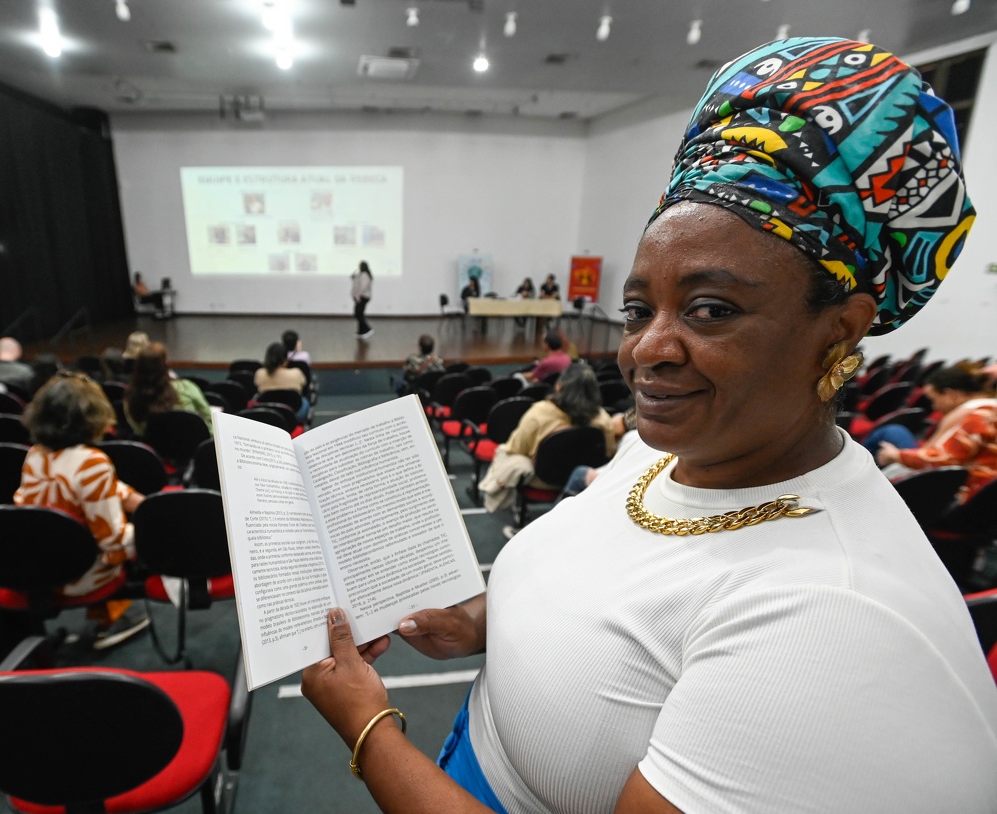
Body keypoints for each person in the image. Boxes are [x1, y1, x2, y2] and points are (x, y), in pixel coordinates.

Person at [300, 38, 997, 813]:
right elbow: (605, 586)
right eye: (639, 309)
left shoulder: (832, 621)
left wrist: (369, 730)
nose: (645, 350)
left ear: (839, 330)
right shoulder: (671, 448)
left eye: (710, 309)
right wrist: (481, 623)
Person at [15, 371, 150, 650]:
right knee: (140, 535)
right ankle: (111, 620)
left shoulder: (35, 454)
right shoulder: (92, 462)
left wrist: (140, 502)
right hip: (78, 574)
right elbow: (113, 543)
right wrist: (154, 526)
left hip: (36, 565)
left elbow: (88, 488)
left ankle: (108, 616)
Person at [478, 364, 616, 518]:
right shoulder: (603, 419)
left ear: (559, 386)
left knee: (504, 451)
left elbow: (515, 448)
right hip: (584, 482)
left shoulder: (539, 413)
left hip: (542, 480)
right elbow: (609, 452)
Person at [874, 366, 997, 502]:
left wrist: (896, 455)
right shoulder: (989, 409)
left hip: (971, 494)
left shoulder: (980, 415)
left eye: (934, 400)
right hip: (985, 492)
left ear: (951, 395)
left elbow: (945, 459)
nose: (934, 407)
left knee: (891, 432)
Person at [124, 341, 213, 435]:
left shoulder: (130, 398)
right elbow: (208, 417)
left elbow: (139, 431)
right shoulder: (186, 388)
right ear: (165, 364)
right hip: (195, 442)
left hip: (155, 444)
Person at [254, 341, 309, 420]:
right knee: (305, 401)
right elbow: (304, 388)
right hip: (294, 414)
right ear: (286, 359)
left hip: (267, 414)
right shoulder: (296, 373)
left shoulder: (260, 373)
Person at [352, 261, 373, 338]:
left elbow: (363, 286)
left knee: (358, 314)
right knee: (359, 314)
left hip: (363, 296)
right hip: (361, 296)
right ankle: (361, 332)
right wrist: (354, 276)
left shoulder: (364, 275)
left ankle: (367, 329)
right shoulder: (361, 274)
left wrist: (358, 295)